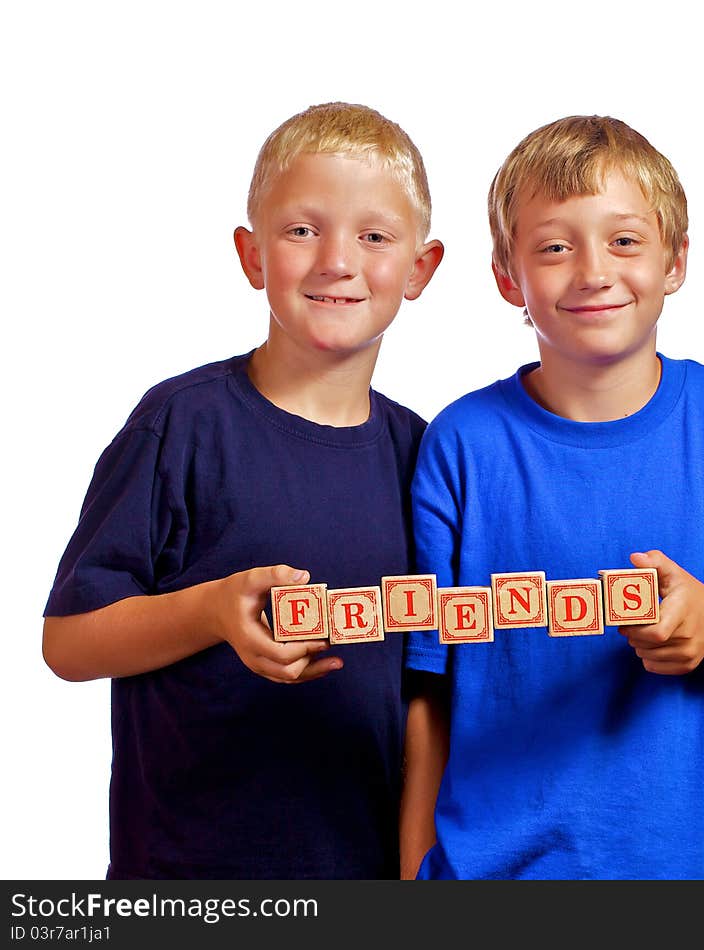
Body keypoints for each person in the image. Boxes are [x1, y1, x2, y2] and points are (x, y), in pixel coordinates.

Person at [398, 115, 704, 880]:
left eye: (624, 240)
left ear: (675, 261)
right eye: (555, 246)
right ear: (508, 277)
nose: (593, 271)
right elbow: (427, 691)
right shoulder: (462, 443)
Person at [43, 102, 444, 880]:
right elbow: (67, 641)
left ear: (420, 268)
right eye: (302, 230)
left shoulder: (426, 456)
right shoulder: (181, 425)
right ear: (252, 255)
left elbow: (432, 687)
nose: (337, 260)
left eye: (374, 236)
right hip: (190, 879)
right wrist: (211, 611)